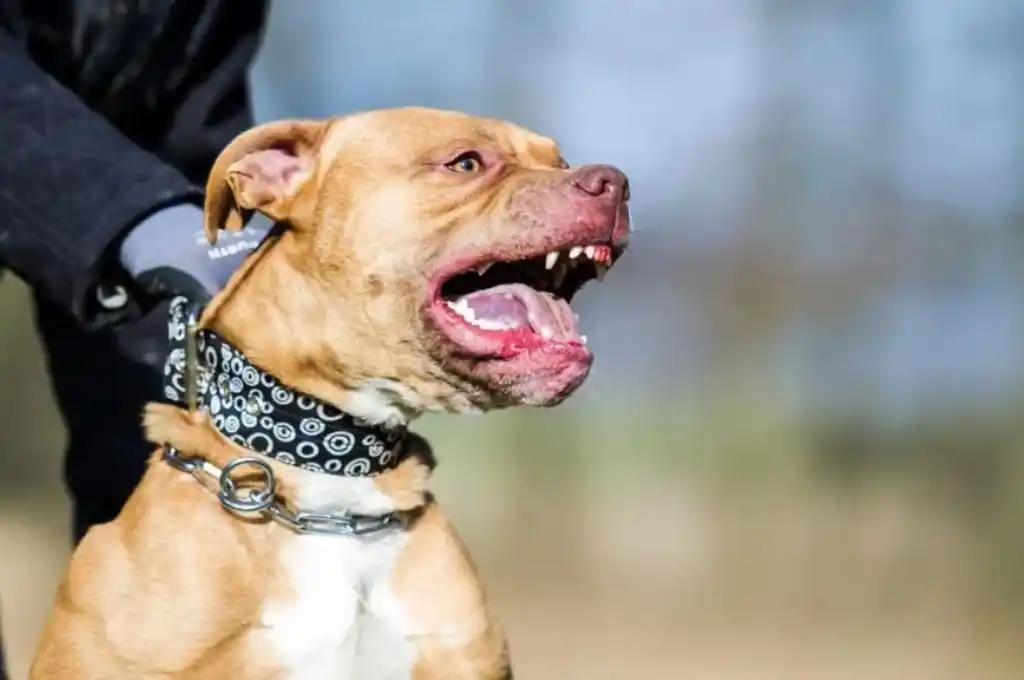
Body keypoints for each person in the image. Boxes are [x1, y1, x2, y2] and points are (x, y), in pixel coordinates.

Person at [0, 2, 275, 674]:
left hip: (138, 165)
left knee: (182, 525)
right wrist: (136, 215)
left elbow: (183, 112)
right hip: (115, 194)